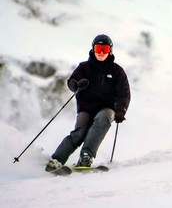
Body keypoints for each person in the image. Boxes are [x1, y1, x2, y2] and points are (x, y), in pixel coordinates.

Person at [45, 34, 131, 171]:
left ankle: (86, 156)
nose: (101, 53)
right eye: (98, 49)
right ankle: (56, 160)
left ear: (110, 50)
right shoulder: (84, 67)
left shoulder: (117, 71)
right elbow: (72, 82)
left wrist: (121, 111)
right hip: (86, 108)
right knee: (79, 133)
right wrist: (77, 85)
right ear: (93, 49)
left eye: (104, 49)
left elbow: (124, 94)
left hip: (106, 108)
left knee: (104, 118)